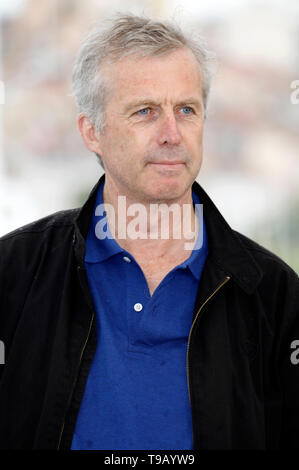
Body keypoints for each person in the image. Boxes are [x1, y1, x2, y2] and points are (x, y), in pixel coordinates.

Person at [0, 13, 298, 451]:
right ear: (92, 132)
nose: (172, 134)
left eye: (186, 110)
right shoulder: (13, 275)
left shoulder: (274, 296)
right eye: (145, 111)